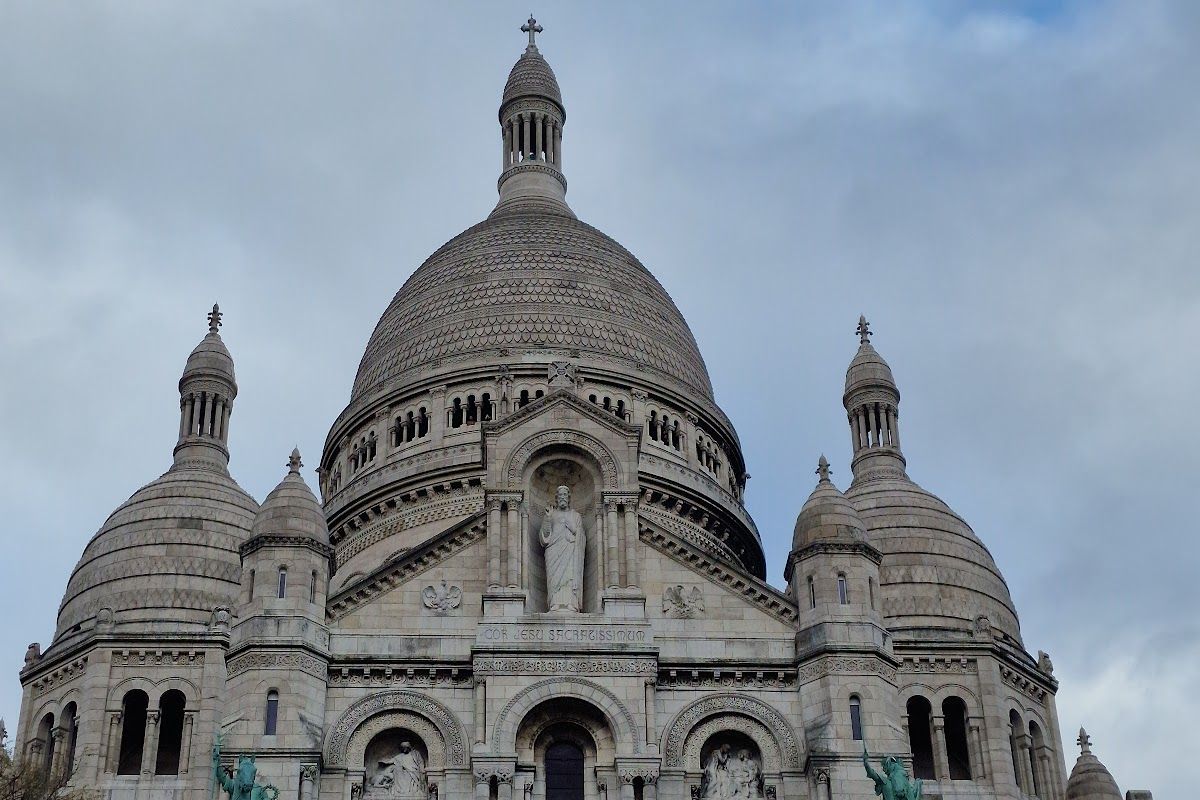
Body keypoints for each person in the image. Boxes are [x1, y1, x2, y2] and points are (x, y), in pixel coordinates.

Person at [539, 485, 585, 612]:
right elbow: (544, 536)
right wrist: (547, 518)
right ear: (557, 498)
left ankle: (571, 602)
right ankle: (555, 602)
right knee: (555, 578)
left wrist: (573, 529)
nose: (562, 497)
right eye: (560, 495)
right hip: (554, 551)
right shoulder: (551, 514)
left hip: (570, 550)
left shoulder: (576, 516)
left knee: (569, 575)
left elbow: (581, 537)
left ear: (568, 498)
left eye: (565, 495)